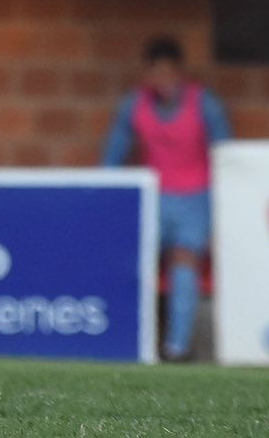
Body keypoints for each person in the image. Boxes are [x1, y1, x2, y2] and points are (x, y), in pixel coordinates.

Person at [101, 35, 233, 361]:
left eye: (168, 73)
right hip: (154, 199)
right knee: (135, 264)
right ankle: (129, 341)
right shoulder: (136, 104)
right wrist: (105, 189)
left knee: (184, 263)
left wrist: (224, 211)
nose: (162, 81)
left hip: (195, 198)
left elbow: (225, 154)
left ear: (179, 72)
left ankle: (177, 347)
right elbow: (114, 151)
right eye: (155, 74)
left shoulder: (204, 103)